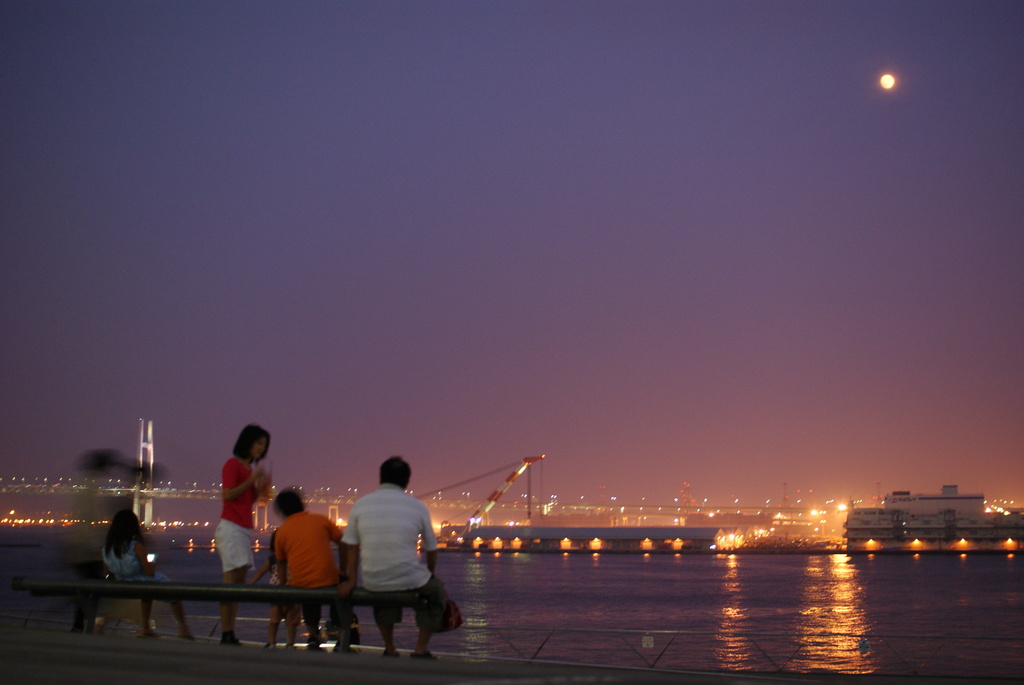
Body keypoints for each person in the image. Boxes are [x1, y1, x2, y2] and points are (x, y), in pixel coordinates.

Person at [339, 456, 445, 659]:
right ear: (407, 481)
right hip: (410, 578)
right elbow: (432, 548)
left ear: (380, 478)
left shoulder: (361, 504)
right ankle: (420, 649)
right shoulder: (418, 506)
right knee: (436, 594)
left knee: (383, 594)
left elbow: (351, 546)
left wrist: (352, 579)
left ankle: (390, 648)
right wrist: (430, 575)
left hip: (373, 579)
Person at [215, 423, 271, 645]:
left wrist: (260, 487)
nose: (260, 448)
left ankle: (230, 632)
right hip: (231, 527)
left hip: (243, 529)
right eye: (258, 442)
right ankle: (226, 633)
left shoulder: (248, 470)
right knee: (231, 582)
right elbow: (228, 495)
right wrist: (251, 480)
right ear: (247, 441)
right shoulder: (233, 465)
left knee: (237, 584)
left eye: (263, 445)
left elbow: (249, 500)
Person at [273, 489, 347, 651]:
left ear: (281, 511)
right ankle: (342, 635)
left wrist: (284, 584)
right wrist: (343, 570)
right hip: (329, 579)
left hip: (302, 583)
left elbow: (281, 563)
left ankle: (313, 636)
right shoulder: (320, 520)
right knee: (340, 592)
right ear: (301, 504)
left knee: (306, 592)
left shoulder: (282, 531)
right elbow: (343, 542)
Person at [101, 509, 193, 640]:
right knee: (174, 595)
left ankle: (146, 628)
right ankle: (184, 629)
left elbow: (107, 572)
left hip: (122, 584)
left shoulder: (106, 549)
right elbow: (149, 572)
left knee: (147, 594)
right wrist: (152, 562)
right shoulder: (136, 547)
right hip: (140, 582)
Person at [249, 529, 301, 648]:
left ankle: (273, 642)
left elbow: (260, 572)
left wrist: (250, 585)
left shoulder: (273, 559)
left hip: (277, 593)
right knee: (290, 621)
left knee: (276, 620)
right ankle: (289, 643)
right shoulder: (295, 557)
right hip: (292, 592)